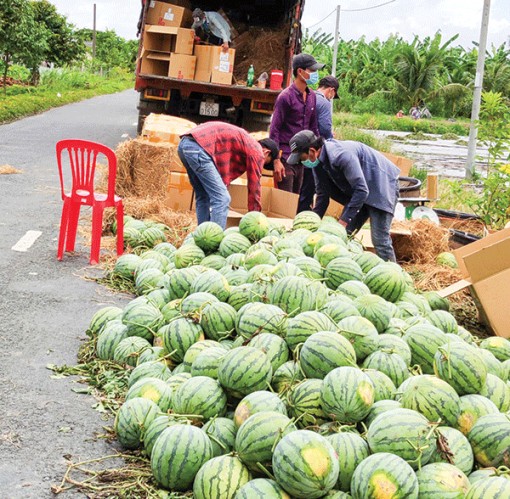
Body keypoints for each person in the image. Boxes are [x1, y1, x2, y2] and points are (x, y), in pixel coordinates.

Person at [287, 130, 400, 262]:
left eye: (302, 158)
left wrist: (343, 221)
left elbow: (361, 190)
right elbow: (323, 194)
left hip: (381, 185)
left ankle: (397, 276)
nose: (302, 162)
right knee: (343, 235)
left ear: (312, 151)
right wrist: (313, 224)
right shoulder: (317, 164)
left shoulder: (341, 155)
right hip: (361, 191)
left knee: (380, 240)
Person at [178, 122, 279, 229]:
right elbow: (254, 187)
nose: (261, 164)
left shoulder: (245, 142)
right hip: (198, 147)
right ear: (266, 152)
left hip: (185, 145)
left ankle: (203, 237)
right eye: (265, 163)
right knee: (222, 199)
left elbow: (222, 170)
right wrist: (255, 220)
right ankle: (214, 239)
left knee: (203, 195)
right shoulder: (257, 151)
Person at [269, 53, 324, 194]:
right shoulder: (285, 97)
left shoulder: (312, 96)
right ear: (300, 72)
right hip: (286, 157)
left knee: (295, 199)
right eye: (312, 71)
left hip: (302, 159)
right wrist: (276, 160)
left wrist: (319, 150)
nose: (315, 74)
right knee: (285, 200)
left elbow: (313, 128)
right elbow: (274, 130)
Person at [298, 75, 340, 213]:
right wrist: (331, 138)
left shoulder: (308, 96)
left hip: (298, 145)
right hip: (312, 150)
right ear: (331, 90)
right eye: (333, 95)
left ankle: (295, 210)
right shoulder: (324, 103)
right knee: (311, 184)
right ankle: (304, 212)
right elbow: (325, 128)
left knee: (298, 184)